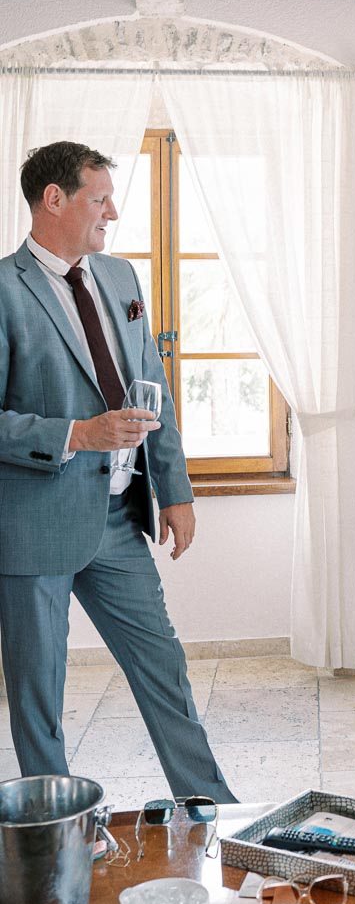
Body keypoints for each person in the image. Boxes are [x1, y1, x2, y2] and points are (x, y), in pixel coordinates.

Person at [0, 141, 236, 803]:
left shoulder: (122, 279)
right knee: (38, 695)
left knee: (163, 667)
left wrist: (176, 491)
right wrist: (76, 434)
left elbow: (150, 385)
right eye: (100, 197)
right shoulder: (2, 290)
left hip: (116, 521)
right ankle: (58, 831)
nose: (113, 211)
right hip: (32, 529)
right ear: (54, 200)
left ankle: (214, 807)